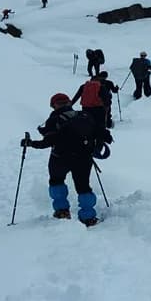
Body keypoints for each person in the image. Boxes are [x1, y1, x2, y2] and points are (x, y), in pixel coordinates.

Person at [22, 93, 110, 226]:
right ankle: (89, 218)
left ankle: (62, 211)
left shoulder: (54, 120)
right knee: (83, 187)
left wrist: (30, 143)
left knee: (56, 182)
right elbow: (102, 134)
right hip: (83, 158)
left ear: (54, 105)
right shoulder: (84, 116)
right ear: (69, 102)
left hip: (60, 158)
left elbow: (48, 141)